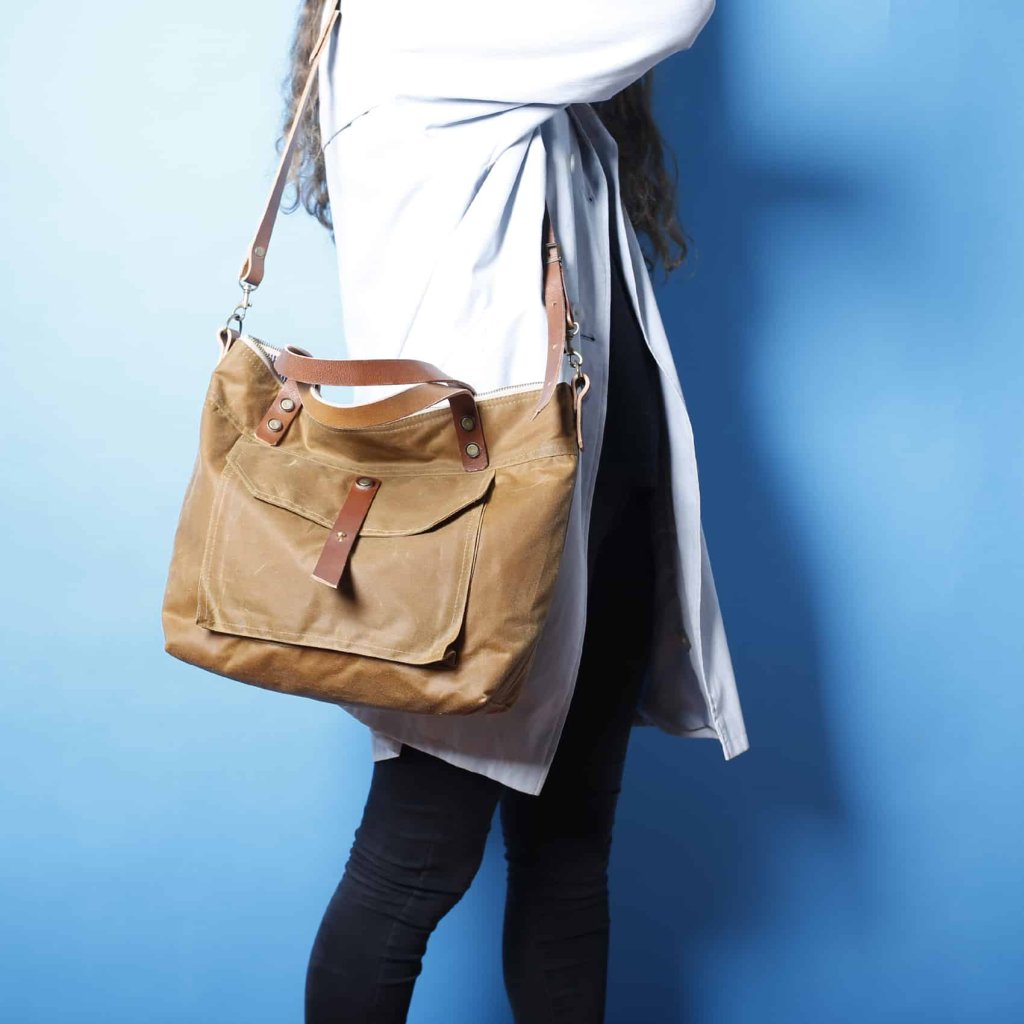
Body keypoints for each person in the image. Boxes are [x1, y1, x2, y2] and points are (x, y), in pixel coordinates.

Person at [275, 1, 749, 1020]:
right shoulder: (410, 24)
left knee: (568, 859)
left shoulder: (533, 77)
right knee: (413, 860)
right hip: (485, 535)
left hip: (601, 514)